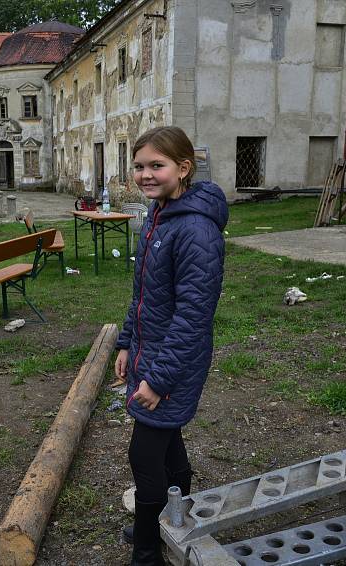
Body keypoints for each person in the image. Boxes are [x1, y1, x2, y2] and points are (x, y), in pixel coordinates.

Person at [114, 127, 227, 566]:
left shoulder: (195, 230)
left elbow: (193, 316)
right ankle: (171, 516)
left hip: (174, 363)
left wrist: (159, 380)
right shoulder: (159, 216)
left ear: (183, 169)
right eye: (139, 166)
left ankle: (147, 551)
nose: (145, 174)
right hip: (151, 354)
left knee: (144, 456)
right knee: (167, 444)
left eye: (156, 166)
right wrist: (125, 343)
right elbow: (143, 294)